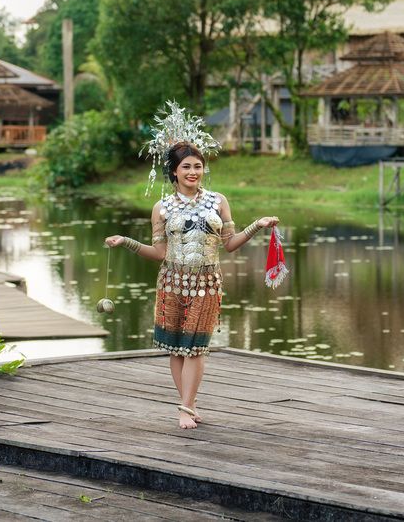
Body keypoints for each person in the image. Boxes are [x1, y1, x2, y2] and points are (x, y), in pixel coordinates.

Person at [105, 140, 279, 430]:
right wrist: (126, 242)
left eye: (198, 166)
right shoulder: (161, 208)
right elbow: (159, 252)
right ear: (174, 171)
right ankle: (189, 403)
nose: (193, 172)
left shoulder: (218, 201)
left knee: (196, 347)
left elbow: (231, 245)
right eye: (186, 166)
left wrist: (257, 226)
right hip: (171, 282)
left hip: (206, 283)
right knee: (176, 349)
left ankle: (185, 407)